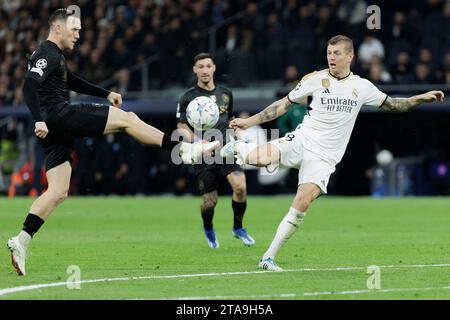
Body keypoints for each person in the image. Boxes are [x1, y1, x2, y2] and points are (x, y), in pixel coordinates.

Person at [7, 8, 218, 276]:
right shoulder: (47, 52)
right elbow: (28, 86)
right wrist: (39, 119)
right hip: (58, 116)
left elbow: (72, 81)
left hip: (54, 127)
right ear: (57, 28)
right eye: (75, 29)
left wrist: (105, 93)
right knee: (128, 119)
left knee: (58, 190)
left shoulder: (55, 56)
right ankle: (184, 150)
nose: (79, 35)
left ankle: (21, 241)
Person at [220, 35, 445, 271]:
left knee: (302, 203)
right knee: (259, 159)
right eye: (329, 53)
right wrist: (249, 122)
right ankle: (234, 147)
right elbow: (282, 105)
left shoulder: (362, 87)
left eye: (337, 53)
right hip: (303, 139)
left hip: (325, 157)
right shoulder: (314, 80)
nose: (331, 58)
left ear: (350, 56)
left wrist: (420, 98)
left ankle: (268, 258)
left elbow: (394, 105)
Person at [176, 52, 255, 249]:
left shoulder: (226, 94)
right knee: (209, 202)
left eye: (208, 66)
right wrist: (199, 142)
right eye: (200, 67)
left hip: (226, 148)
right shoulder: (188, 97)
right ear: (195, 70)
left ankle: (238, 227)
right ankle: (208, 228)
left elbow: (228, 119)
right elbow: (181, 127)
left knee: (240, 188)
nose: (204, 70)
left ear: (214, 68)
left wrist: (235, 129)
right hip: (205, 152)